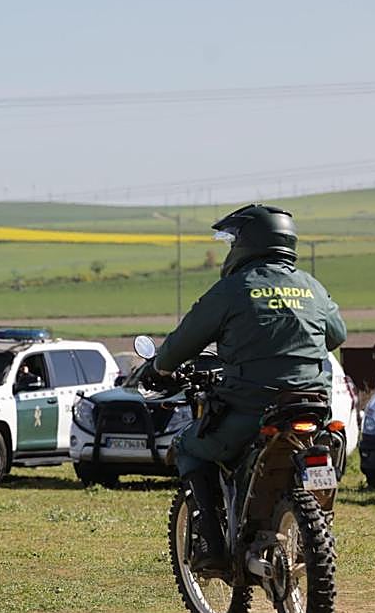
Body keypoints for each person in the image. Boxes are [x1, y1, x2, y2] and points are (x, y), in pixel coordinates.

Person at [144, 204, 347, 570]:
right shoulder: (312, 287)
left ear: (247, 243)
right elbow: (337, 334)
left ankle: (212, 548)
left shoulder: (233, 290)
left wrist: (158, 367)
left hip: (253, 409)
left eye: (232, 241)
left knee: (190, 448)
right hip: (312, 407)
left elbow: (184, 341)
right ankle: (313, 526)